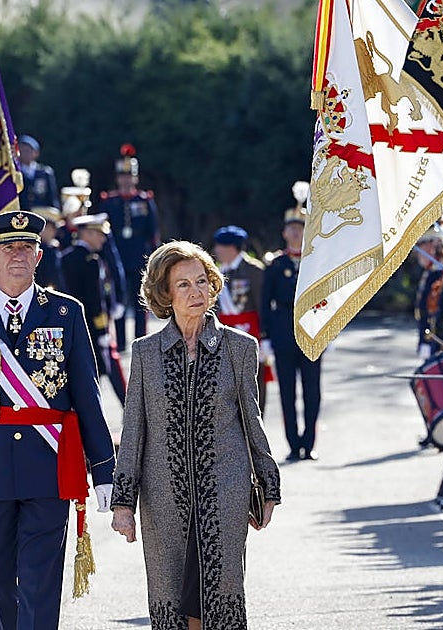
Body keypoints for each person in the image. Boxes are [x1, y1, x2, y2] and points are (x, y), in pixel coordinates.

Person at [0, 210, 116, 630]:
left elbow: (88, 397)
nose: (17, 255)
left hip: (47, 464)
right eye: (7, 248)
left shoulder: (67, 314)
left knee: (40, 580)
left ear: (38, 257)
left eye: (26, 248)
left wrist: (104, 471)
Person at [110, 240, 281, 630]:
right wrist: (124, 503)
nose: (196, 291)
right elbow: (134, 429)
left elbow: (252, 420)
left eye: (202, 281)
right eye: (183, 284)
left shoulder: (240, 348)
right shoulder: (145, 352)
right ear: (164, 294)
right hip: (163, 497)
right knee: (171, 597)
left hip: (226, 491)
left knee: (220, 594)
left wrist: (268, 485)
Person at [261, 208, 323, 461]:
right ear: (284, 233)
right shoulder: (276, 265)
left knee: (313, 391)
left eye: (301, 228)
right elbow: (265, 302)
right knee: (287, 391)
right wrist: (265, 336)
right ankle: (292, 443)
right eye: (292, 229)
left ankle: (309, 443)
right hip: (284, 331)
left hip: (311, 331)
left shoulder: (316, 261)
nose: (296, 233)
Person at [59, 213, 127, 403]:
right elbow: (95, 301)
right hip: (92, 328)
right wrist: (102, 329)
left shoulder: (65, 257)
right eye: (99, 234)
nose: (103, 239)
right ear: (87, 234)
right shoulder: (91, 261)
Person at [99, 143, 160, 350]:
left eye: (129, 176)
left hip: (139, 256)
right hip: (117, 257)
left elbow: (153, 232)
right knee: (118, 301)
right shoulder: (109, 202)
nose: (126, 180)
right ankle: (122, 342)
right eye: (122, 176)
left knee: (140, 299)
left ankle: (140, 340)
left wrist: (154, 260)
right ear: (118, 178)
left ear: (135, 178)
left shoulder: (144, 200)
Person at [212, 225, 269, 405]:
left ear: (232, 248)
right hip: (226, 333)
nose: (216, 250)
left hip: (250, 331)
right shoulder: (218, 272)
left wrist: (265, 337)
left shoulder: (253, 270)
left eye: (220, 246)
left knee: (254, 382)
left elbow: (262, 305)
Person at [17, 135, 59, 212]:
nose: (25, 153)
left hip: (42, 215)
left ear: (36, 153)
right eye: (22, 150)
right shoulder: (16, 173)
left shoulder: (45, 173)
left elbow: (52, 198)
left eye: (28, 150)